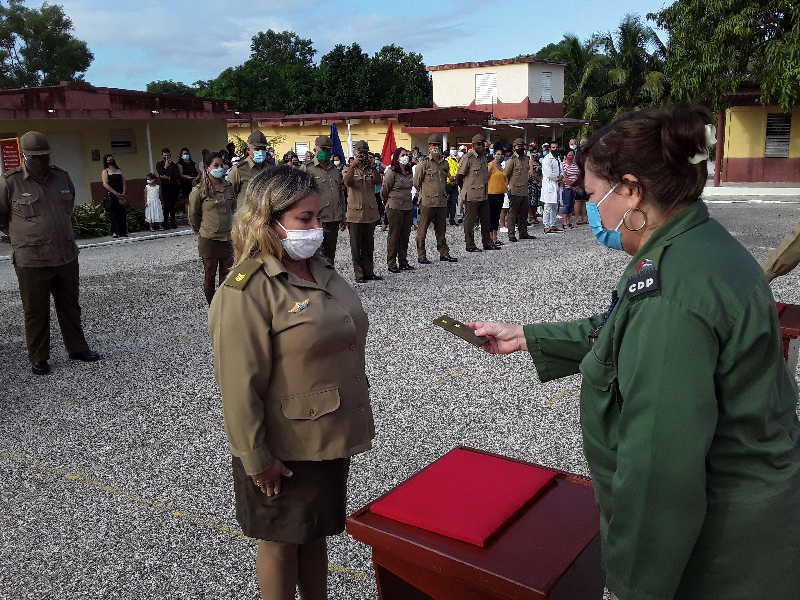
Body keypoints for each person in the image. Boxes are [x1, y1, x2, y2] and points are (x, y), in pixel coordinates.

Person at [469, 106, 800, 600]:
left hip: (721, 556)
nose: (594, 211)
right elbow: (622, 331)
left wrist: (634, 584)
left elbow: (659, 470)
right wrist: (529, 335)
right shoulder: (696, 245)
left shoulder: (671, 287)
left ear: (631, 190)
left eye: (595, 195)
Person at [209, 165, 375, 600]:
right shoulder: (246, 289)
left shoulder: (317, 269)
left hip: (326, 435)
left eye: (319, 217)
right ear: (268, 221)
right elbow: (238, 384)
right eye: (305, 219)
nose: (317, 228)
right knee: (281, 541)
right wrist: (255, 456)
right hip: (283, 448)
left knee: (314, 534)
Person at [0, 130, 101, 375]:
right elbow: (2, 218)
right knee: (36, 311)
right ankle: (39, 357)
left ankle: (77, 348)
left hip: (65, 255)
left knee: (70, 305)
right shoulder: (10, 182)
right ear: (25, 156)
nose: (42, 161)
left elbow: (68, 207)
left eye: (45, 156)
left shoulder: (61, 177)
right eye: (36, 157)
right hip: (32, 260)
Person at [188, 152, 236, 305]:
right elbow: (193, 214)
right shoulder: (199, 189)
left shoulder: (229, 186)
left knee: (226, 274)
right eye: (216, 166)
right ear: (207, 168)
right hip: (209, 239)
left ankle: (223, 306)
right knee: (209, 275)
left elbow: (232, 208)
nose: (220, 168)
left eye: (221, 165)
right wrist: (201, 230)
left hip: (228, 238)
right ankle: (212, 307)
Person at [303, 135, 347, 266]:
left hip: (333, 219)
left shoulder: (334, 170)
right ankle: (318, 284)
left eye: (328, 149)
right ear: (315, 149)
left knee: (330, 254)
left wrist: (343, 215)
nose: (326, 152)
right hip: (316, 220)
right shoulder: (307, 169)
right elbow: (301, 196)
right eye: (323, 149)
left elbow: (340, 194)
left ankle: (329, 283)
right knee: (316, 256)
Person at [344, 140, 383, 283]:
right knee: (356, 246)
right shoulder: (349, 168)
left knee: (369, 245)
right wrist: (353, 166)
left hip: (370, 213)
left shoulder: (370, 168)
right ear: (355, 153)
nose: (363, 155)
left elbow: (378, 182)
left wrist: (373, 167)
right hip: (355, 214)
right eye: (360, 152)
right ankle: (358, 273)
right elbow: (347, 183)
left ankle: (369, 271)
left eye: (365, 152)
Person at [414, 134, 457, 265]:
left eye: (438, 145)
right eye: (433, 145)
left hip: (441, 202)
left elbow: (446, 180)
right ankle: (421, 255)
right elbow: (416, 182)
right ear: (429, 147)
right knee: (422, 230)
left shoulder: (445, 163)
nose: (435, 147)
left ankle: (444, 253)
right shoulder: (424, 163)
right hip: (427, 202)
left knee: (441, 230)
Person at [458, 133, 494, 252]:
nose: (481, 146)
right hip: (471, 195)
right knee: (470, 222)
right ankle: (470, 244)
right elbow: (460, 176)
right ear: (473, 145)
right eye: (479, 144)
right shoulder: (468, 158)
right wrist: (465, 188)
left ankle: (487, 243)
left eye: (483, 144)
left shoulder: (483, 157)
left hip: (483, 194)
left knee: (486, 220)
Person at [381, 148, 415, 273]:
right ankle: (391, 263)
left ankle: (403, 261)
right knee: (394, 236)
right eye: (403, 155)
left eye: (407, 155)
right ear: (396, 157)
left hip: (407, 206)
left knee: (405, 236)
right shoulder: (391, 171)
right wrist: (387, 203)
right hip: (394, 207)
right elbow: (384, 191)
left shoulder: (408, 170)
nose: (405, 157)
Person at [504, 138, 534, 241]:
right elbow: (505, 176)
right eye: (518, 146)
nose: (520, 147)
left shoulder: (526, 159)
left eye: (522, 146)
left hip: (525, 191)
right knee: (512, 214)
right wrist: (508, 189)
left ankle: (523, 233)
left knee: (524, 214)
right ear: (514, 147)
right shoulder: (511, 160)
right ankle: (511, 234)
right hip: (515, 190)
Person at [229, 130, 270, 205]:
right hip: (246, 214)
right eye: (257, 149)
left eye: (263, 149)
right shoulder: (238, 169)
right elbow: (230, 195)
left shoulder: (270, 167)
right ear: (248, 150)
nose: (260, 152)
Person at [101, 154, 128, 238]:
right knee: (114, 213)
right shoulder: (105, 171)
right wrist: (115, 193)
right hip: (112, 194)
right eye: (108, 160)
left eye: (111, 159)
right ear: (106, 161)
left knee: (122, 213)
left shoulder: (119, 170)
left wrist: (123, 192)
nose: (110, 161)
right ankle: (115, 232)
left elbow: (124, 182)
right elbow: (105, 184)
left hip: (121, 194)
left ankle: (123, 231)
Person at [486, 150, 507, 249]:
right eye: (498, 154)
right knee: (491, 216)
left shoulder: (501, 166)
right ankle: (490, 239)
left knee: (496, 216)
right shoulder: (491, 165)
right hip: (491, 194)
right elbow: (485, 179)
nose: (500, 156)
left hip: (500, 194)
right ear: (494, 155)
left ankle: (495, 238)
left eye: (501, 154)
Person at [156, 148, 180, 229]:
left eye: (168, 155)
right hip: (165, 187)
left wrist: (167, 177)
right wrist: (165, 167)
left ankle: (173, 223)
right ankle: (165, 223)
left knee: (172, 205)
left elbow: (176, 175)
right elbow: (160, 174)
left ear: (170, 155)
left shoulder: (174, 165)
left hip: (174, 187)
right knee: (166, 205)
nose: (166, 157)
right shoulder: (159, 164)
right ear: (162, 155)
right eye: (165, 155)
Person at [540, 144, 562, 233]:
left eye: (556, 147)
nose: (555, 149)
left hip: (556, 185)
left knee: (555, 206)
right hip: (549, 184)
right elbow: (548, 174)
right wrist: (558, 178)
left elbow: (561, 170)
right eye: (553, 147)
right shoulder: (546, 159)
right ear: (549, 149)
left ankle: (553, 225)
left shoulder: (558, 158)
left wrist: (562, 176)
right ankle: (546, 226)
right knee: (548, 206)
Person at [560, 151, 580, 229]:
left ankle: (569, 222)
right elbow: (564, 177)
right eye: (569, 155)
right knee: (567, 205)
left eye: (572, 155)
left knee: (571, 205)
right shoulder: (563, 164)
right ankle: (565, 223)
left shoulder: (575, 165)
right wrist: (571, 186)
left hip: (574, 188)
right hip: (567, 188)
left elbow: (578, 175)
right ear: (566, 155)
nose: (570, 156)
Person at [446, 146, 460, 225]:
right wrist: (450, 178)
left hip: (455, 184)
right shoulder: (447, 160)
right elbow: (445, 170)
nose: (454, 150)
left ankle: (452, 219)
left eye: (455, 149)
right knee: (446, 202)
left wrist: (456, 180)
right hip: (447, 183)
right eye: (452, 149)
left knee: (453, 202)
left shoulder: (457, 161)